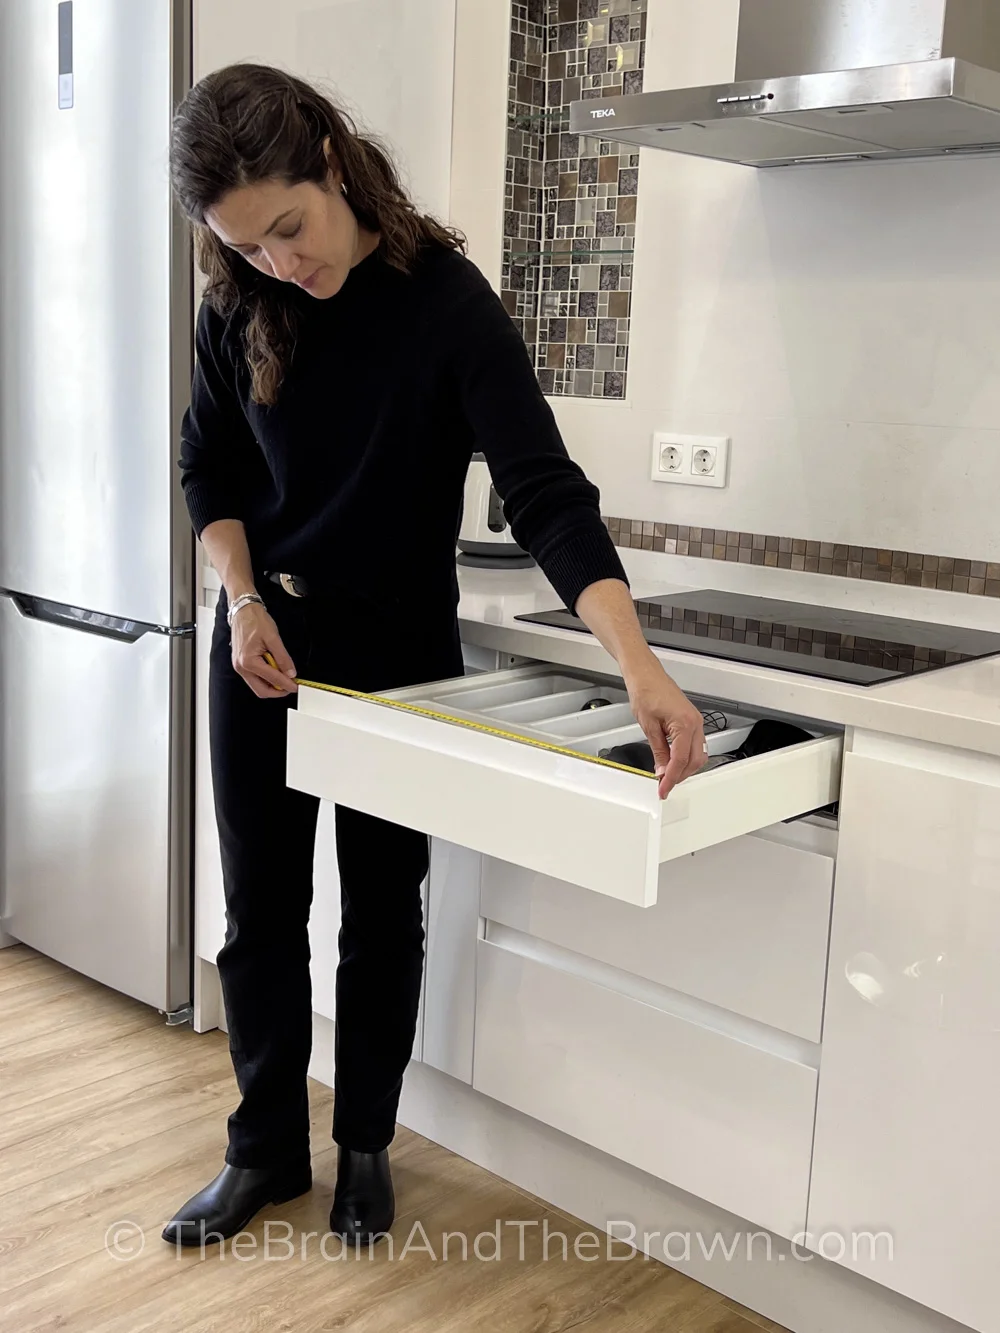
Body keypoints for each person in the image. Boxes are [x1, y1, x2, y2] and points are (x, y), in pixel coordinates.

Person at [162, 62, 707, 1249]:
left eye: (289, 231)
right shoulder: (236, 303)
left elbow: (546, 494)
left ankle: (364, 1144)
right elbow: (209, 467)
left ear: (330, 159)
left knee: (381, 909)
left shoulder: (446, 303)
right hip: (264, 638)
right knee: (260, 908)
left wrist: (638, 665)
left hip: (397, 650)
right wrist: (241, 596)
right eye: (249, 249)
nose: (281, 266)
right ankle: (264, 1149)